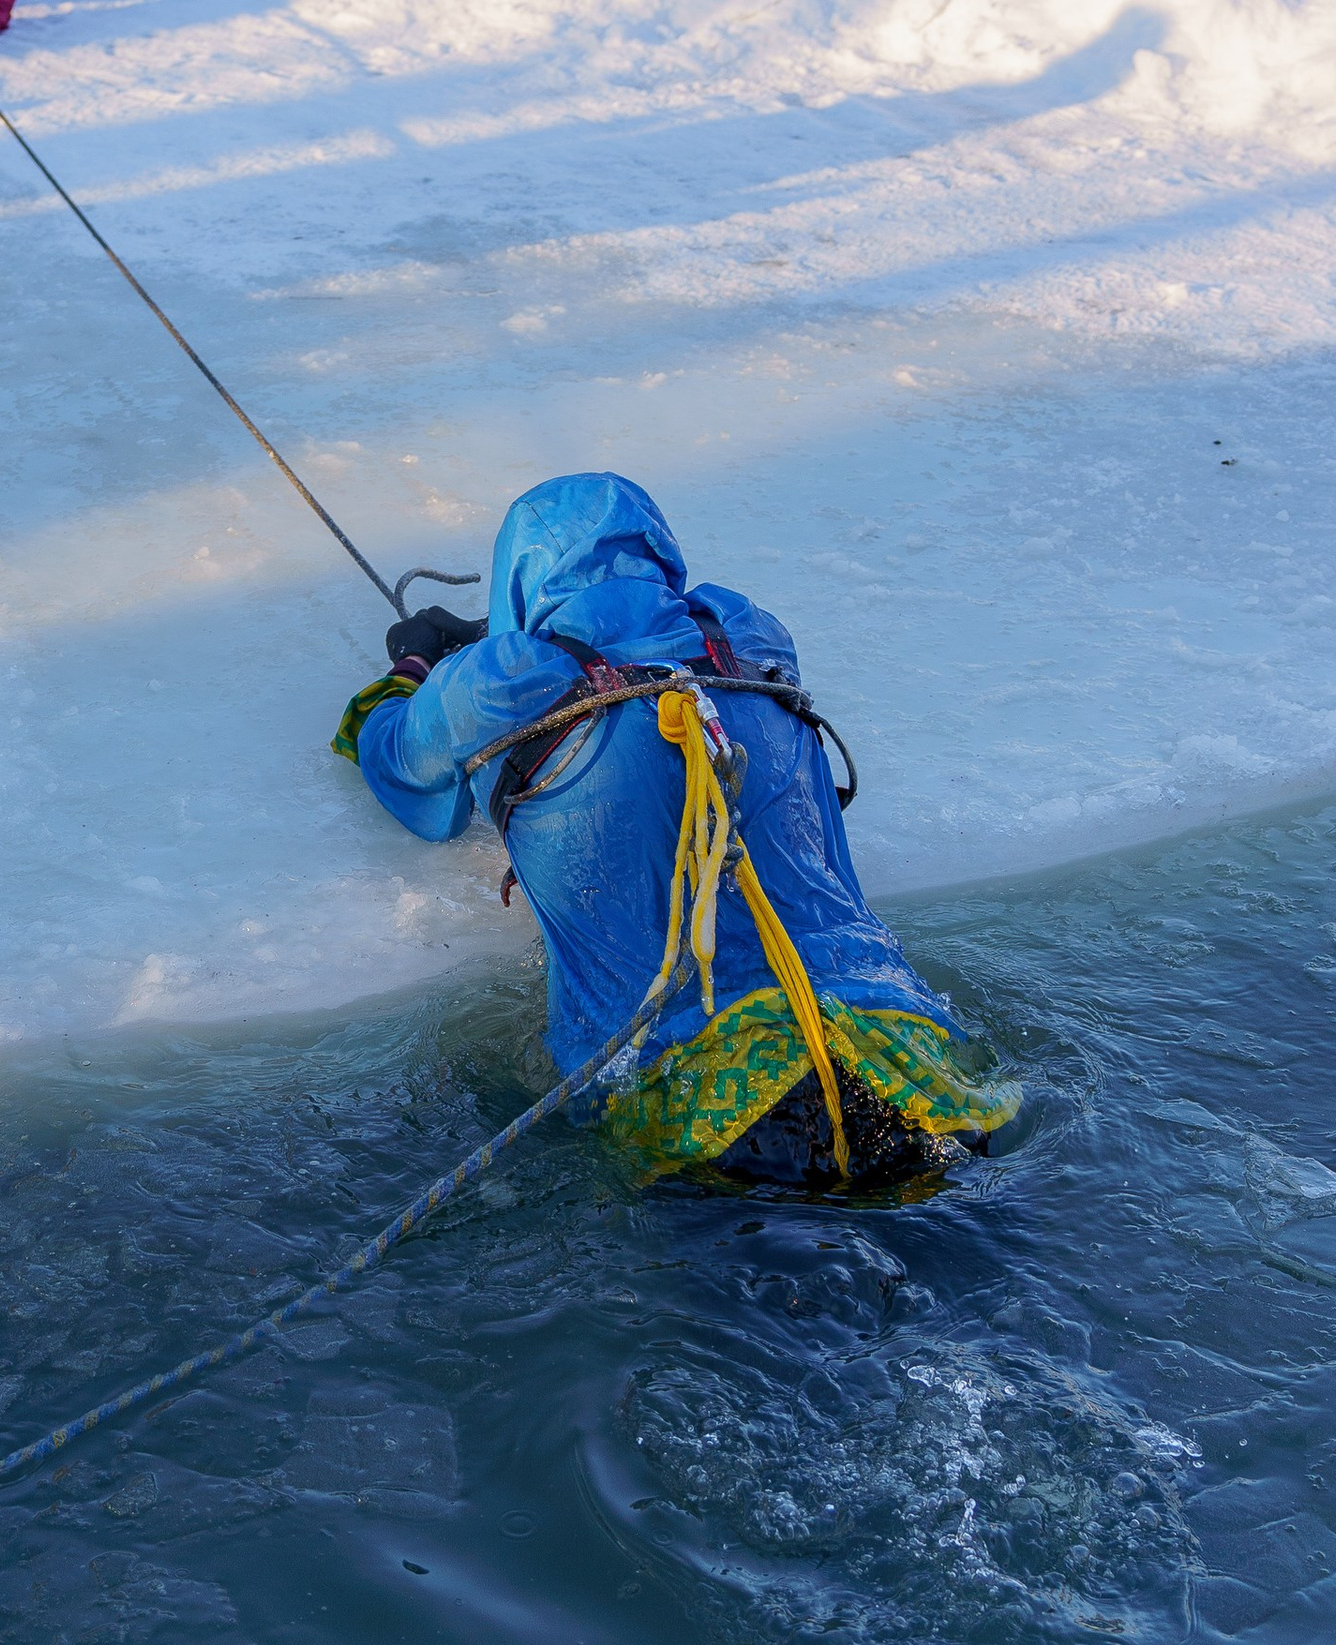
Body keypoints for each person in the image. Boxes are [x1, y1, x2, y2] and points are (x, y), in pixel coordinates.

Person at [336, 472, 1015, 1194]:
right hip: (907, 1051)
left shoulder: (497, 682)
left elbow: (396, 763)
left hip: (708, 1100)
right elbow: (652, 651)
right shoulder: (746, 635)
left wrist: (417, 667)